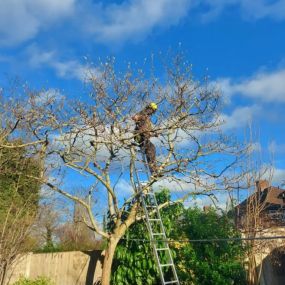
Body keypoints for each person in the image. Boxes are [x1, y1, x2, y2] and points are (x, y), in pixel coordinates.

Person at [132, 102, 158, 176]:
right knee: (150, 148)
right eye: (151, 110)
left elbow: (149, 129)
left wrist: (154, 133)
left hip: (144, 137)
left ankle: (154, 170)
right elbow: (135, 117)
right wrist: (137, 118)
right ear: (148, 108)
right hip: (139, 136)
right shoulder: (143, 113)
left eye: (153, 111)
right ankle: (153, 170)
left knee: (151, 148)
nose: (152, 112)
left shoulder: (148, 119)